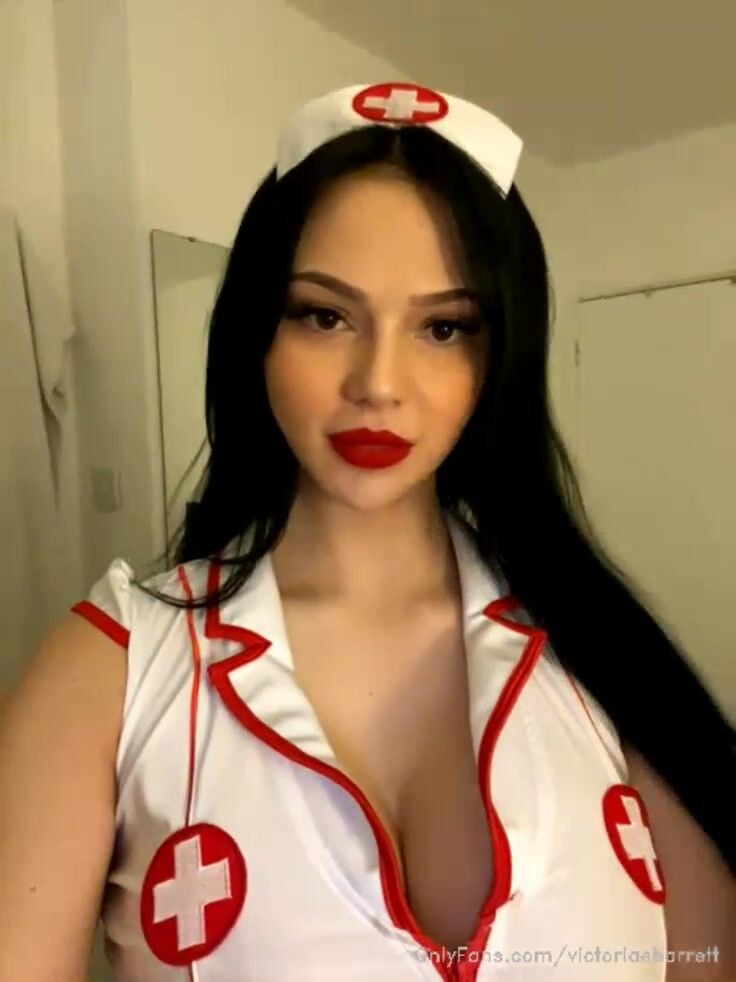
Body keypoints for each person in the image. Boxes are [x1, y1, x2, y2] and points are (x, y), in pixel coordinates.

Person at [0, 81, 733, 982]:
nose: (379, 382)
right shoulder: (112, 669)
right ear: (257, 335)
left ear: (501, 356)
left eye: (444, 327)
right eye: (325, 315)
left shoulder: (607, 661)